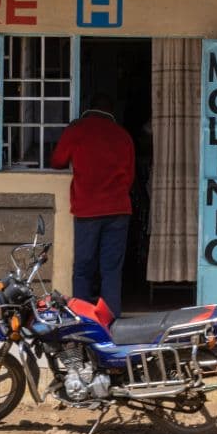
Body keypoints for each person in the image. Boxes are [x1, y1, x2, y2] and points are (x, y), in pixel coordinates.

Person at [51, 94, 135, 318]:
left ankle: (83, 317)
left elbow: (58, 161)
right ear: (111, 113)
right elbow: (130, 176)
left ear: (88, 110)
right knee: (111, 270)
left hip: (87, 210)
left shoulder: (77, 130)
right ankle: (111, 320)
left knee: (83, 269)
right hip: (118, 209)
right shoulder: (123, 135)